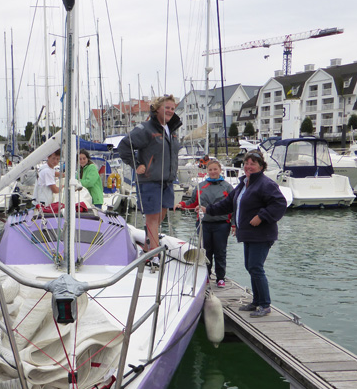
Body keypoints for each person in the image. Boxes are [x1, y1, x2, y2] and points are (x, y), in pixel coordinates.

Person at [200, 150, 287, 317]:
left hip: (262, 234)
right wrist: (208, 210)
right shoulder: (244, 184)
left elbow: (279, 204)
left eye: (253, 164)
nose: (248, 166)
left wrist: (262, 216)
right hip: (249, 234)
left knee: (255, 267)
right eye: (246, 163)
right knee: (250, 267)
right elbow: (227, 204)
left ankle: (265, 304)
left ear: (261, 167)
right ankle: (256, 301)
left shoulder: (265, 184)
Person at [118, 94, 180, 254]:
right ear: (157, 108)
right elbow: (124, 146)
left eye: (172, 108)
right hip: (149, 180)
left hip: (167, 181)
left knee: (161, 215)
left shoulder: (172, 130)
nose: (170, 111)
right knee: (152, 217)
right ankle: (154, 253)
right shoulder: (146, 129)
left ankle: (147, 246)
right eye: (167, 108)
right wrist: (136, 165)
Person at [179, 159, 234, 287]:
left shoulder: (227, 187)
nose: (213, 172)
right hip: (204, 224)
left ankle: (220, 278)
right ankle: (206, 275)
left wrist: (234, 224)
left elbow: (234, 207)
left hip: (222, 224)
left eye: (215, 169)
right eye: (210, 170)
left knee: (220, 252)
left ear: (220, 170)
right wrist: (181, 204)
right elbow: (193, 202)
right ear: (207, 171)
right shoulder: (200, 186)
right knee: (205, 251)